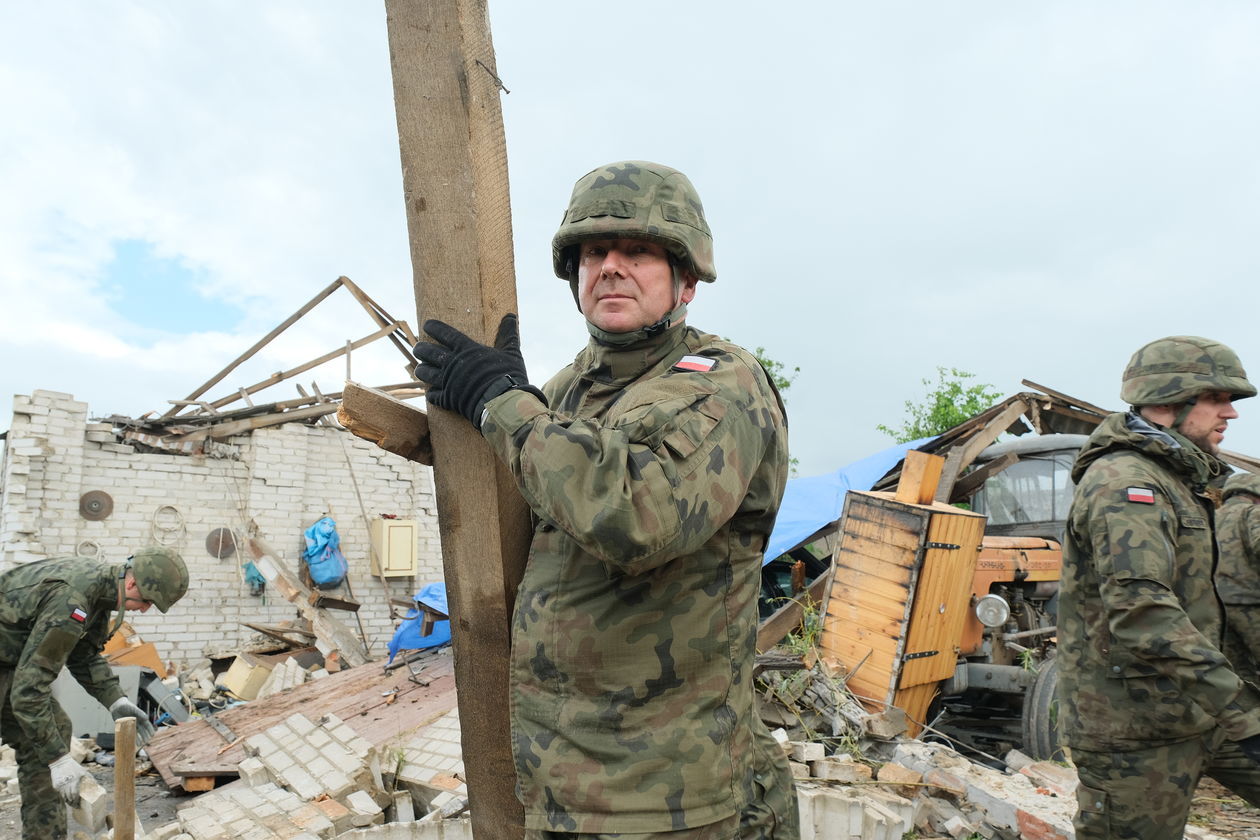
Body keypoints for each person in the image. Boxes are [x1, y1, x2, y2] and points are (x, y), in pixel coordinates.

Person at [413, 160, 797, 838]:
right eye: (595, 251)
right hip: (558, 784)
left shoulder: (721, 383)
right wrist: (484, 418)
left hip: (663, 799)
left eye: (639, 250)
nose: (611, 266)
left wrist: (502, 404)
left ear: (687, 280)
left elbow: (639, 514)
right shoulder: (566, 391)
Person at [1056, 335, 1260, 840]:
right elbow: (1142, 611)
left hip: (1199, 712)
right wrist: (1241, 709)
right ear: (1170, 403)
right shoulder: (1125, 483)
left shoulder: (1178, 479)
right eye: (1217, 398)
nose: (1230, 413)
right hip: (1135, 731)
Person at [0, 546, 189, 840]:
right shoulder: (71, 600)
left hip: (8, 660)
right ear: (131, 583)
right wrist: (59, 761)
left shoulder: (100, 593)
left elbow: (84, 655)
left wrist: (116, 699)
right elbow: (28, 690)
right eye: (147, 601)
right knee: (49, 748)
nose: (144, 610)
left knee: (53, 732)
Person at [1217, 471, 1260, 682]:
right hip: (1251, 603)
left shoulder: (1211, 516)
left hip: (1217, 609)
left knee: (1239, 675)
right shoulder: (1253, 512)